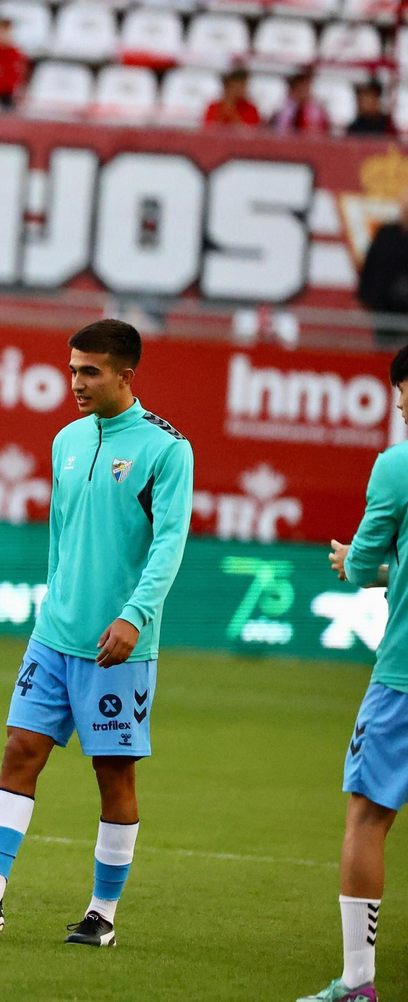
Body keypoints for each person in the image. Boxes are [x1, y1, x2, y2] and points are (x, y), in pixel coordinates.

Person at [0, 319, 193, 948]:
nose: (75, 382)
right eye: (72, 368)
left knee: (113, 775)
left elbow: (169, 544)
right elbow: (62, 539)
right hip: (54, 637)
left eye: (90, 371)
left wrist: (135, 616)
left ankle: (102, 913)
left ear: (126, 375)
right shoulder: (67, 440)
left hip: (117, 645)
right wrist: (53, 606)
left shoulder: (165, 449)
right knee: (20, 749)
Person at [305, 347, 408, 1002]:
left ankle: (358, 983)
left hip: (402, 679)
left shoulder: (397, 465)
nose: (402, 411)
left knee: (367, 818)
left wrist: (354, 559)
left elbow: (369, 557)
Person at [357, 187, 408, 346]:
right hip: (384, 313)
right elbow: (370, 268)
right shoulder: (386, 234)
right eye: (405, 207)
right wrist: (366, 296)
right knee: (385, 357)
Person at [271, 71, 331, 135]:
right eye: (301, 88)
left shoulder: (317, 109)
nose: (304, 91)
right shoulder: (284, 108)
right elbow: (279, 128)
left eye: (307, 88)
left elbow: (324, 128)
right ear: (293, 89)